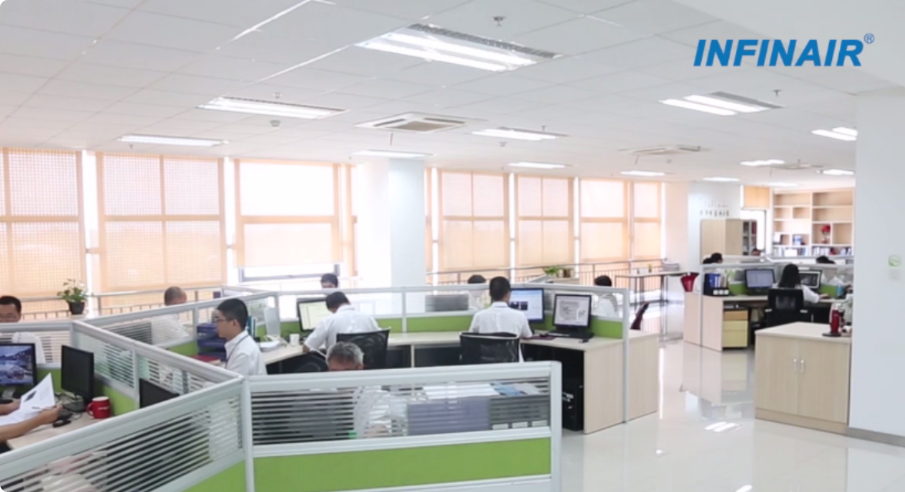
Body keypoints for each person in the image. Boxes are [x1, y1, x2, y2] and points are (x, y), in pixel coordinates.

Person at [326, 342, 405, 438]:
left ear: (360, 368)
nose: (340, 378)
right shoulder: (323, 393)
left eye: (346, 371)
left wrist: (364, 443)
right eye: (334, 372)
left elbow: (379, 428)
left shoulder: (375, 395)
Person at [303, 292, 380, 354]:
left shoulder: (329, 321)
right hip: (367, 365)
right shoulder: (369, 318)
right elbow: (380, 340)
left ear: (331, 309)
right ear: (348, 302)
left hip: (339, 366)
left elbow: (307, 347)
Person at [214, 299, 266, 376]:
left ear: (234, 323)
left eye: (219, 320)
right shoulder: (241, 343)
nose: (216, 324)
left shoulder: (242, 354)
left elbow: (233, 383)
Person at [468, 277, 532, 339]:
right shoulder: (520, 316)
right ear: (508, 294)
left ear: (490, 294)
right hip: (511, 347)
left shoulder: (479, 316)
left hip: (487, 347)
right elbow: (527, 336)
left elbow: (470, 337)